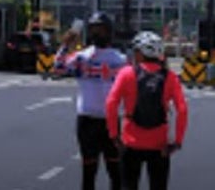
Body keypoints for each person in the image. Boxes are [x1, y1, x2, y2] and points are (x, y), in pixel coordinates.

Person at [106, 31, 188, 190]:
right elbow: (182, 110)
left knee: (128, 185)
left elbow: (111, 103)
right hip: (159, 145)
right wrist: (177, 142)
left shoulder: (126, 73)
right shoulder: (170, 77)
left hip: (130, 142)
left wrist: (114, 134)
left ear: (141, 53)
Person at [54, 12, 127, 190]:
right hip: (87, 120)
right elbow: (58, 68)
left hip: (112, 121)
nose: (97, 34)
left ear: (109, 32)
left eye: (101, 30)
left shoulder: (121, 60)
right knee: (89, 172)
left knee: (116, 172)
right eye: (94, 29)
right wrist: (65, 45)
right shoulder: (82, 57)